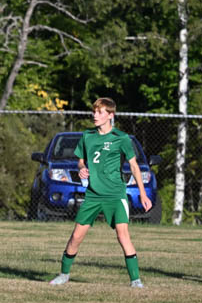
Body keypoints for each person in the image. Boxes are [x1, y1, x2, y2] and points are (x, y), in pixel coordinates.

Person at [49, 97, 152, 288]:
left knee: (123, 236)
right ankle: (64, 274)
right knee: (76, 236)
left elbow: (134, 167)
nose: (95, 115)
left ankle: (135, 280)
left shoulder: (121, 138)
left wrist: (143, 194)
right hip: (93, 195)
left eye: (99, 112)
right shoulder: (87, 136)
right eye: (94, 111)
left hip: (115, 195)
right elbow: (80, 160)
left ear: (110, 115)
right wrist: (82, 168)